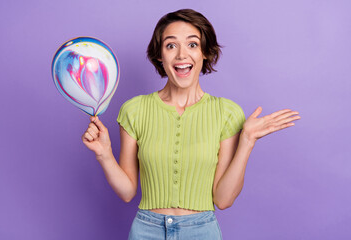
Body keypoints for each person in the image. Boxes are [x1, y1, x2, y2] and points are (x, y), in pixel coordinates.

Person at [82, 9, 301, 240]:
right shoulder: (134, 110)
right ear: (159, 55)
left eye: (193, 45)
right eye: (171, 45)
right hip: (146, 230)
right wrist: (104, 154)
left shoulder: (227, 113)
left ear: (205, 52)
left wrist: (247, 141)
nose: (181, 55)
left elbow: (223, 200)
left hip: (201, 231)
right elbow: (127, 192)